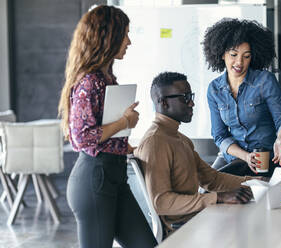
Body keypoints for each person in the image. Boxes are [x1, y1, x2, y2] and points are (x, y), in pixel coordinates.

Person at [58, 5, 157, 248]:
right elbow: (82, 138)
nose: (129, 41)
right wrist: (125, 122)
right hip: (95, 179)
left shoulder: (105, 79)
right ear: (107, 37)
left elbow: (101, 133)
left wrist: (125, 145)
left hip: (113, 176)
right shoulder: (90, 82)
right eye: (125, 34)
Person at [134, 72, 256, 238]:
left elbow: (212, 180)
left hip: (197, 220)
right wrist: (217, 198)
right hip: (182, 230)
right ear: (163, 102)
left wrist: (258, 183)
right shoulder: (155, 142)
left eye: (191, 96)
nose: (191, 103)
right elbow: (161, 203)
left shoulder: (180, 139)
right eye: (185, 97)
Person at [202, 18, 281, 177]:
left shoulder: (265, 81)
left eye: (246, 56)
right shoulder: (214, 89)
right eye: (233, 54)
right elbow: (219, 135)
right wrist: (245, 156)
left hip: (265, 158)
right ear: (221, 54)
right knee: (205, 188)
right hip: (234, 157)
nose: (239, 62)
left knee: (254, 194)